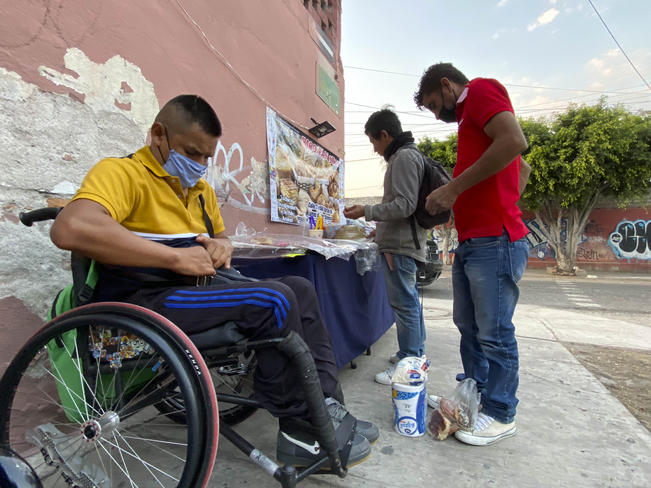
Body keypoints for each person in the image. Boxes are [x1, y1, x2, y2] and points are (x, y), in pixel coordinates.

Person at [50, 94, 378, 466]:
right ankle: (299, 427)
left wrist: (222, 247)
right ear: (158, 134)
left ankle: (326, 406)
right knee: (274, 300)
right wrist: (173, 257)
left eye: (207, 156)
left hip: (195, 291)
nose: (201, 165)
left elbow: (219, 238)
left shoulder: (201, 191)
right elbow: (70, 228)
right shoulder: (122, 174)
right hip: (145, 298)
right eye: (192, 153)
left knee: (301, 288)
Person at [414, 63, 531, 446]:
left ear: (447, 85)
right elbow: (522, 169)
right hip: (474, 240)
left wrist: (455, 191)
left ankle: (501, 413)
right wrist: (496, 196)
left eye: (434, 103)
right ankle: (474, 394)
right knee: (469, 326)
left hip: (495, 240)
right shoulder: (469, 122)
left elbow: (515, 143)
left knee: (495, 333)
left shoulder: (480, 90)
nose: (437, 114)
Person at [343, 109, 427, 385]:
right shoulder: (407, 156)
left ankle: (409, 364)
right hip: (399, 242)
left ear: (385, 135)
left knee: (404, 306)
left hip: (400, 247)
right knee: (410, 304)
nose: (375, 149)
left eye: (374, 142)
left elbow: (405, 205)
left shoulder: (403, 158)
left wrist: (366, 210)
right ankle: (413, 355)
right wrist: (379, 229)